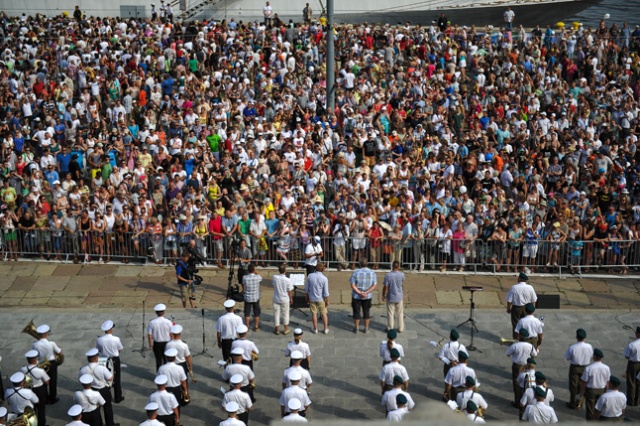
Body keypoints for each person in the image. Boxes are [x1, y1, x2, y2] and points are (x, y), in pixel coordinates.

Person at [78, 348, 117, 426]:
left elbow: (80, 379)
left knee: (95, 408)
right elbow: (110, 378)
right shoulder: (101, 368)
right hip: (103, 390)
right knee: (107, 408)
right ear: (96, 358)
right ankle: (110, 424)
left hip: (91, 390)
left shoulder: (83, 369)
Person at [506, 329, 539, 406]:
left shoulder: (515, 345)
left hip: (517, 366)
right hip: (527, 365)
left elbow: (507, 354)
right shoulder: (530, 346)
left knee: (517, 383)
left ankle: (518, 402)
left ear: (519, 336)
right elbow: (535, 355)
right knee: (528, 383)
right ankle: (526, 400)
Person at [32, 324, 62, 404]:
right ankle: (52, 398)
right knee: (53, 381)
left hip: (41, 363)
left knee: (43, 381)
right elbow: (59, 352)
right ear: (46, 334)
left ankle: (45, 398)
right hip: (51, 363)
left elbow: (35, 354)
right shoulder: (51, 343)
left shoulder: (35, 344)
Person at [565, 328, 594, 409]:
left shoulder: (573, 347)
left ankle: (573, 402)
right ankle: (580, 402)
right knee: (583, 385)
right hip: (585, 367)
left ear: (576, 337)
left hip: (575, 367)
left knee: (573, 385)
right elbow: (592, 356)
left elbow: (567, 357)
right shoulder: (589, 346)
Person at [96, 320, 124, 404]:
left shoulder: (99, 339)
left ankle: (105, 396)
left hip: (103, 359)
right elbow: (120, 349)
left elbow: (98, 350)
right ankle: (118, 397)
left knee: (104, 378)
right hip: (114, 359)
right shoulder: (116, 339)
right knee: (117, 378)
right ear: (111, 329)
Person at [579, 348, 611, 421]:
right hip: (601, 389)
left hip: (591, 390)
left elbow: (584, 382)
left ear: (595, 357)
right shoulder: (606, 368)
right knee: (599, 408)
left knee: (590, 408)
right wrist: (606, 391)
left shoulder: (589, 368)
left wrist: (581, 392)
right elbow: (607, 382)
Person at [21, 350, 49, 426]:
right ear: (35, 359)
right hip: (40, 389)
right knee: (41, 408)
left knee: (32, 408)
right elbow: (47, 382)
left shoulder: (23, 369)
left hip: (29, 389)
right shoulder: (40, 370)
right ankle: (41, 423)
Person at [350, 258, 378, 334]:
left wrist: (360, 292)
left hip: (356, 295)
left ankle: (356, 328)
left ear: (360, 264)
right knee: (366, 311)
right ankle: (366, 328)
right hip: (367, 296)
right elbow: (374, 285)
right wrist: (366, 292)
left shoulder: (355, 272)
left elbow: (352, 285)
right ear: (367, 264)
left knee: (356, 312)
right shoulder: (372, 273)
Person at [506, 272, 537, 337]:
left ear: (520, 279)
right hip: (527, 307)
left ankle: (516, 339)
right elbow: (534, 300)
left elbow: (509, 300)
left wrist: (508, 308)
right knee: (526, 324)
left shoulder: (514, 287)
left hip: (516, 308)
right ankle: (525, 338)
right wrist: (532, 310)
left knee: (516, 325)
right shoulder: (530, 287)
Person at [304, 262, 329, 334]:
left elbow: (306, 288)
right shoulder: (324, 278)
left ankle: (315, 329)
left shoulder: (310, 276)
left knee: (314, 313)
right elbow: (326, 292)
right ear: (323, 269)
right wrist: (327, 300)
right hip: (321, 298)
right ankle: (325, 329)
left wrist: (306, 295)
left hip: (312, 297)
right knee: (324, 313)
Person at [147, 304, 172, 371]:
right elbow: (171, 333)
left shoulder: (152, 322)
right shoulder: (168, 322)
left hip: (157, 343)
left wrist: (150, 345)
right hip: (166, 343)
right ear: (164, 312)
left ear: (156, 312)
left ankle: (159, 374)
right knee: (166, 360)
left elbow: (149, 335)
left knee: (158, 360)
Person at [382, 260, 405, 333]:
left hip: (391, 296)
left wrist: (383, 295)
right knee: (400, 313)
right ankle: (401, 328)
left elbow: (385, 286)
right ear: (398, 266)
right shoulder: (401, 274)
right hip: (399, 296)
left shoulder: (388, 275)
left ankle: (390, 327)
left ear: (392, 266)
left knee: (390, 313)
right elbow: (402, 281)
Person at [272, 264, 294, 335]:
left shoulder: (274, 277)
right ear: (285, 270)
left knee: (276, 314)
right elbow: (290, 291)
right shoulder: (288, 280)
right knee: (285, 314)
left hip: (276, 298)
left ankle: (277, 329)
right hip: (284, 298)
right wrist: (291, 298)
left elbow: (273, 285)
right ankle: (285, 329)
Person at [241, 264, 262, 331]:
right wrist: (256, 272)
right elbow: (261, 278)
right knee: (256, 312)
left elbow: (243, 286)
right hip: (255, 297)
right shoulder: (257, 277)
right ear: (254, 270)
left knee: (247, 312)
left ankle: (247, 326)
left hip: (247, 297)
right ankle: (256, 326)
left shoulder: (244, 277)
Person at [624, 326, 640, 406]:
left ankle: (630, 401)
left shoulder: (632, 345)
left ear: (637, 334)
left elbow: (626, 356)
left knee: (631, 382)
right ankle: (637, 400)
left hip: (633, 364)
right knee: (639, 383)